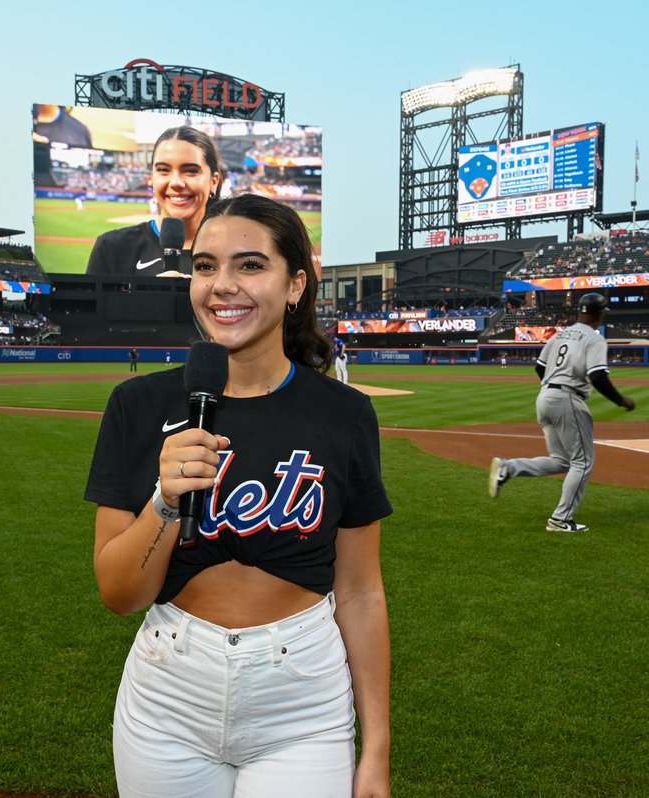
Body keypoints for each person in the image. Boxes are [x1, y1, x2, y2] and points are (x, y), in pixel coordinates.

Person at [85, 194, 392, 798]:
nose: (222, 285)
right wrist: (165, 503)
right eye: (205, 266)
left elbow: (359, 590)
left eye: (250, 266)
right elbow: (119, 595)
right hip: (168, 691)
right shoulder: (138, 405)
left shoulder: (345, 414)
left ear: (296, 284)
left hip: (302, 697)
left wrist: (376, 748)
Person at [487, 293, 636, 533]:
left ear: (580, 312)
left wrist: (553, 389)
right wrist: (621, 400)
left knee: (562, 461)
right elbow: (597, 375)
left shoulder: (559, 335)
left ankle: (509, 468)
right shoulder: (595, 339)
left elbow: (539, 367)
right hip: (567, 398)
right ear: (599, 314)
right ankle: (560, 519)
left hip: (545, 397)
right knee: (583, 462)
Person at [86, 126, 223, 276]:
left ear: (213, 182)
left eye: (191, 171)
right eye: (163, 169)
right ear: (152, 178)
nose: (176, 182)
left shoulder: (234, 250)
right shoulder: (112, 248)